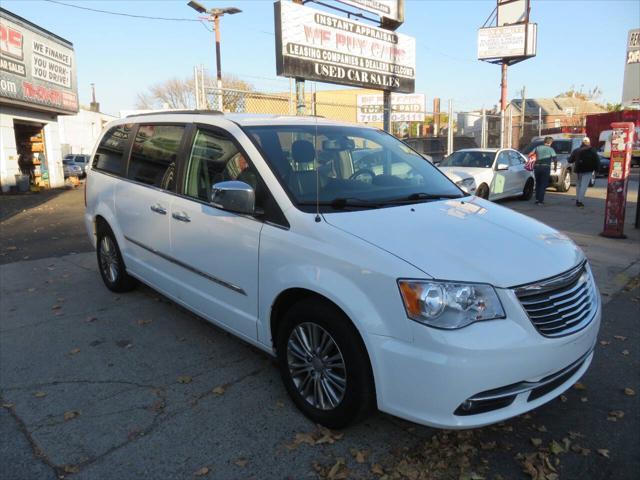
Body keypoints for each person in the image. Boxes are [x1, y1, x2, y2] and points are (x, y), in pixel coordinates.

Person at [568, 137, 599, 207]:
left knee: (578, 185)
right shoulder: (592, 150)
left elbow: (570, 160)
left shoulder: (576, 150)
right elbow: (597, 161)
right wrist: (597, 170)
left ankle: (577, 199)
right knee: (584, 186)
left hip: (579, 170)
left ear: (582, 142)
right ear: (589, 142)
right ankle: (580, 201)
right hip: (588, 170)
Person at [533, 136, 557, 205]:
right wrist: (555, 167)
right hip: (545, 168)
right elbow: (555, 159)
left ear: (544, 141)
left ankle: (537, 199)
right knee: (543, 184)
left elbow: (531, 154)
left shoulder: (537, 147)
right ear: (551, 142)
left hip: (537, 167)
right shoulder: (551, 149)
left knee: (538, 183)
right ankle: (540, 201)